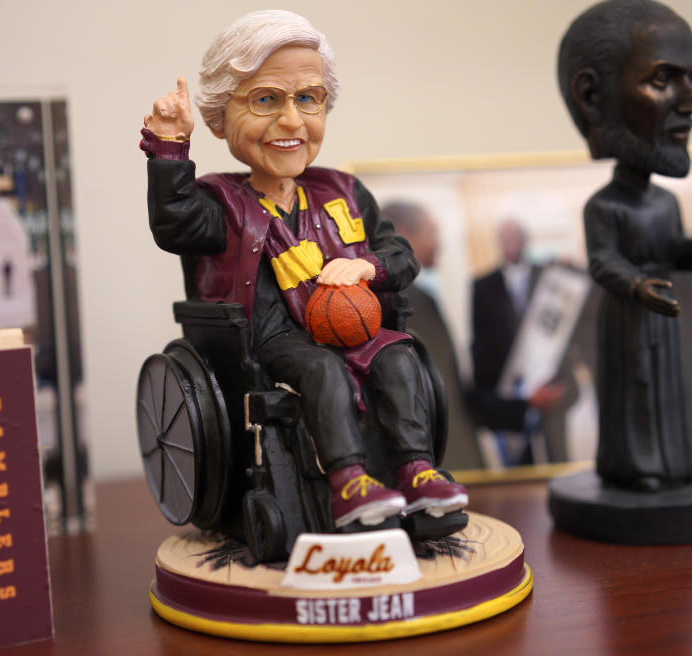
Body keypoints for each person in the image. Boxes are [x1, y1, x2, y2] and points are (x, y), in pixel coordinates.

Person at [139, 10, 466, 530]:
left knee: (400, 358)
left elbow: (401, 254)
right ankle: (348, 483)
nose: (291, 121)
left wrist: (366, 268)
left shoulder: (344, 191)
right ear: (223, 116)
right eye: (266, 99)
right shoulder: (222, 204)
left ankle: (416, 472)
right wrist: (170, 148)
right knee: (321, 369)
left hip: (354, 327)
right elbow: (174, 225)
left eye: (307, 99)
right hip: (272, 340)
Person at [558, 0, 692, 491]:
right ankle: (636, 467)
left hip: (662, 315)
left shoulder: (666, 203)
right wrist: (637, 286)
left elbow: (678, 250)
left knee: (669, 389)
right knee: (635, 389)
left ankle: (674, 462)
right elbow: (602, 261)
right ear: (592, 98)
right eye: (663, 80)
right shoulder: (605, 206)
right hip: (631, 315)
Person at [383, 201, 483, 470]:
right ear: (403, 233)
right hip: (441, 460)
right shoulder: (400, 302)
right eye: (432, 232)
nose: (439, 243)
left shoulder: (421, 297)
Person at [470, 219, 564, 464]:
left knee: (556, 448)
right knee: (519, 455)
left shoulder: (549, 276)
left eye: (514, 238)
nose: (510, 245)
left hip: (547, 375)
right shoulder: (482, 285)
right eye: (505, 239)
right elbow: (479, 339)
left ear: (525, 240)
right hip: (508, 380)